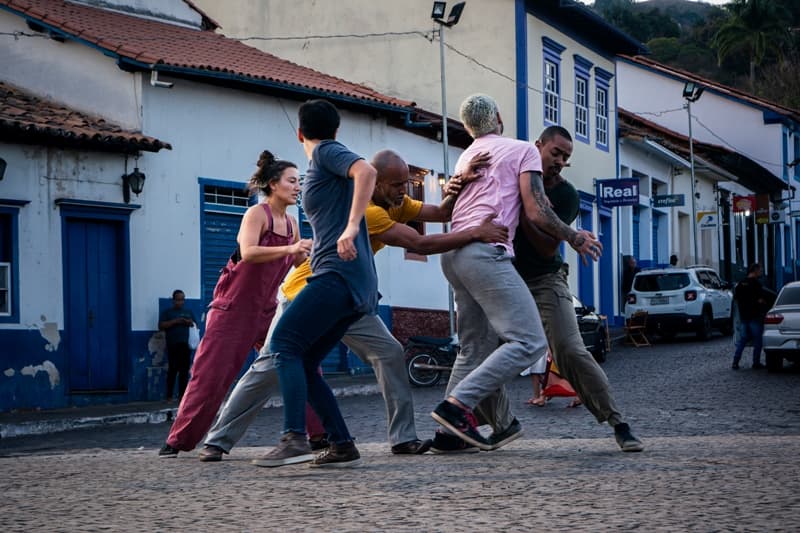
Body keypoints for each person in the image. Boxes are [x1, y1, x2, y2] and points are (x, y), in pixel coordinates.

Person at [198, 148, 507, 462]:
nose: (404, 191)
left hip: (346, 296)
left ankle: (403, 439)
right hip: (306, 291)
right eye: (397, 185)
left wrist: (458, 184)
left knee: (390, 353)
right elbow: (419, 243)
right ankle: (218, 440)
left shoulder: (395, 203)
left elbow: (440, 214)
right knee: (269, 367)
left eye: (406, 184)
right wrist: (476, 234)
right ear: (374, 186)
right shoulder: (369, 213)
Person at [428, 94, 599, 451]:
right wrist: (574, 236)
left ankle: (448, 433)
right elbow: (536, 211)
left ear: (469, 127)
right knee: (530, 341)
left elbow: (454, 205)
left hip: (454, 254)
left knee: (473, 348)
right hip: (486, 252)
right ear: (500, 118)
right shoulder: (522, 150)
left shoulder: (467, 155)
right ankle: (457, 406)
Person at [251, 99, 378, 469]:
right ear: (337, 128)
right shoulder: (322, 162)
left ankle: (294, 438)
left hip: (337, 274)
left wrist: (352, 227)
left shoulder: (325, 151)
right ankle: (341, 443)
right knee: (304, 361)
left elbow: (366, 171)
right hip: (351, 281)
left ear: (300, 133)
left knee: (284, 343)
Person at [157, 151, 312, 457]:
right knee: (212, 375)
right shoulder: (257, 214)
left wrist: (307, 253)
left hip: (270, 307)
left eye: (299, 182)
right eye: (292, 181)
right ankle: (179, 440)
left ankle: (319, 435)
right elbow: (249, 251)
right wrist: (292, 247)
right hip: (233, 309)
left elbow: (295, 261)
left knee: (302, 361)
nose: (298, 187)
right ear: (273, 184)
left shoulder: (293, 222)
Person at [511, 125, 643, 452]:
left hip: (545, 279)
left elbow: (545, 248)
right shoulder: (510, 172)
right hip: (503, 276)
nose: (560, 161)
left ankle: (618, 422)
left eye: (566, 157)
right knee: (478, 348)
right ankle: (495, 425)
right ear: (537, 145)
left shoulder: (565, 194)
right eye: (555, 153)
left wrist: (529, 205)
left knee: (570, 350)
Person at [158, 289, 197, 402]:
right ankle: (169, 396)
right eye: (178, 300)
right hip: (173, 345)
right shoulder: (167, 313)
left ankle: (182, 396)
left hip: (185, 346)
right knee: (173, 370)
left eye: (182, 299)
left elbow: (194, 324)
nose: (180, 302)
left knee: (184, 371)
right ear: (173, 300)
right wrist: (176, 321)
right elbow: (161, 325)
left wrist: (188, 322)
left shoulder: (188, 312)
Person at [732, 263, 766, 370]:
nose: (761, 272)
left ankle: (735, 362)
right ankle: (756, 362)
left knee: (742, 340)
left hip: (743, 317)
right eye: (760, 270)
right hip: (754, 317)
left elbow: (736, 300)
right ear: (755, 270)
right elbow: (760, 300)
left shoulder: (741, 284)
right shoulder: (757, 284)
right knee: (758, 340)